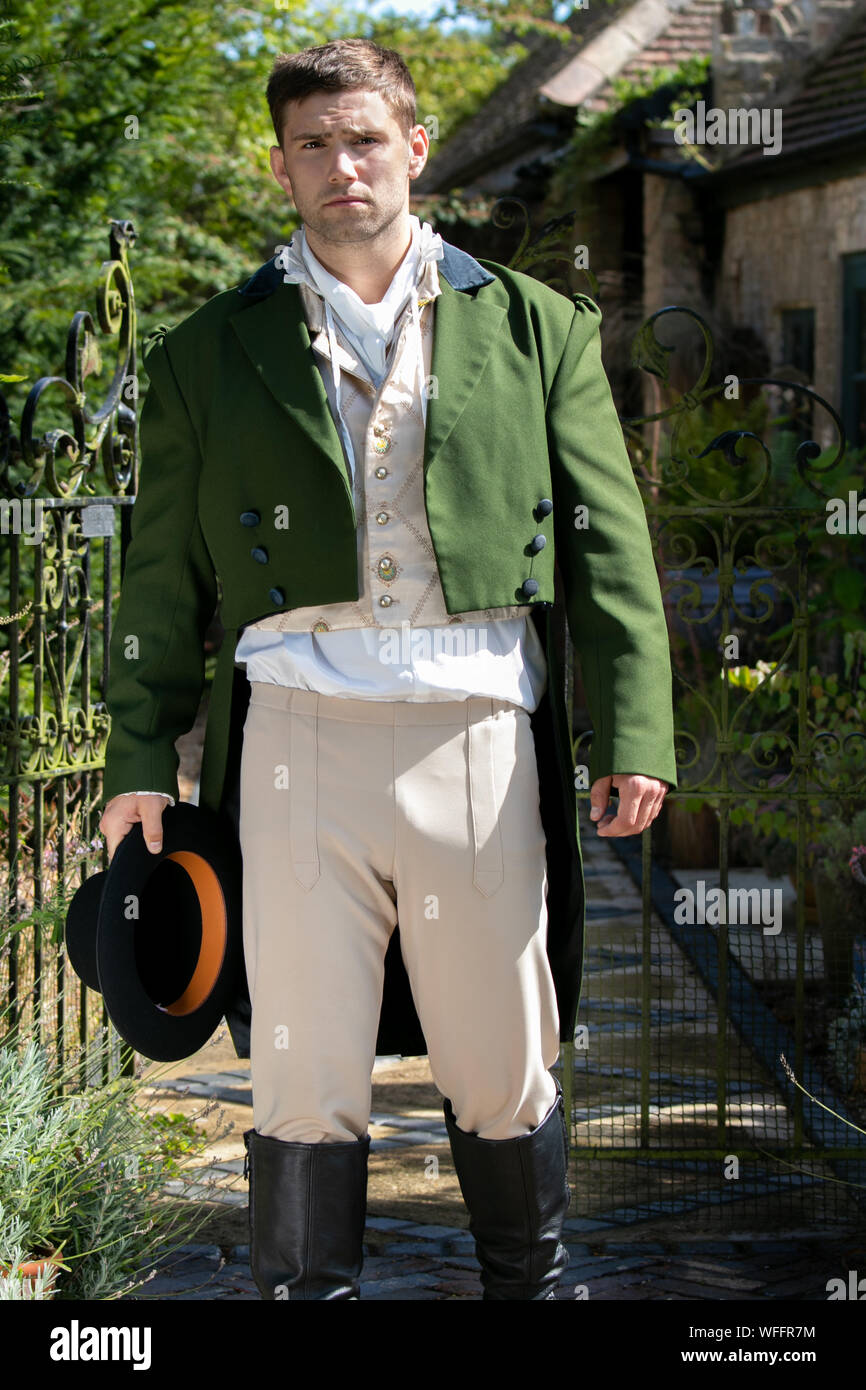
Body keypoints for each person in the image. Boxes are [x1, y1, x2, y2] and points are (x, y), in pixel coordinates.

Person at [98, 37, 677, 1301]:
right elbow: (159, 583)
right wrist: (138, 753)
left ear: (414, 148)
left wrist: (633, 729)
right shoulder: (206, 354)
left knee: (501, 1054)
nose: (339, 164)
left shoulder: (535, 328)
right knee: (303, 1070)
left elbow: (608, 550)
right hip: (300, 739)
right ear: (279, 165)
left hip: (476, 729)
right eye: (312, 143)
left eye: (363, 138)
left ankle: (534, 1285)